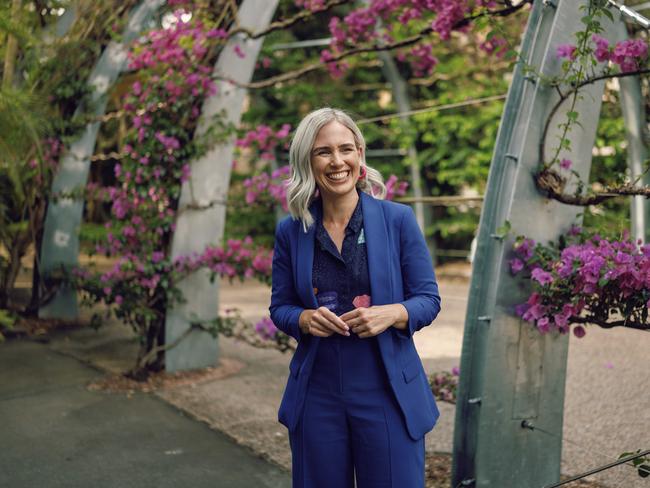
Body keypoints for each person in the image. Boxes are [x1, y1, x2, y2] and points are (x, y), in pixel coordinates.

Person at [269, 107, 441, 488]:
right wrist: (303, 319)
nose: (337, 161)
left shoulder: (398, 220)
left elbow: (428, 299)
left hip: (387, 390)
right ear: (307, 161)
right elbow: (279, 307)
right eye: (323, 151)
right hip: (318, 393)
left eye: (346, 148)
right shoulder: (292, 231)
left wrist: (393, 313)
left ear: (360, 154)